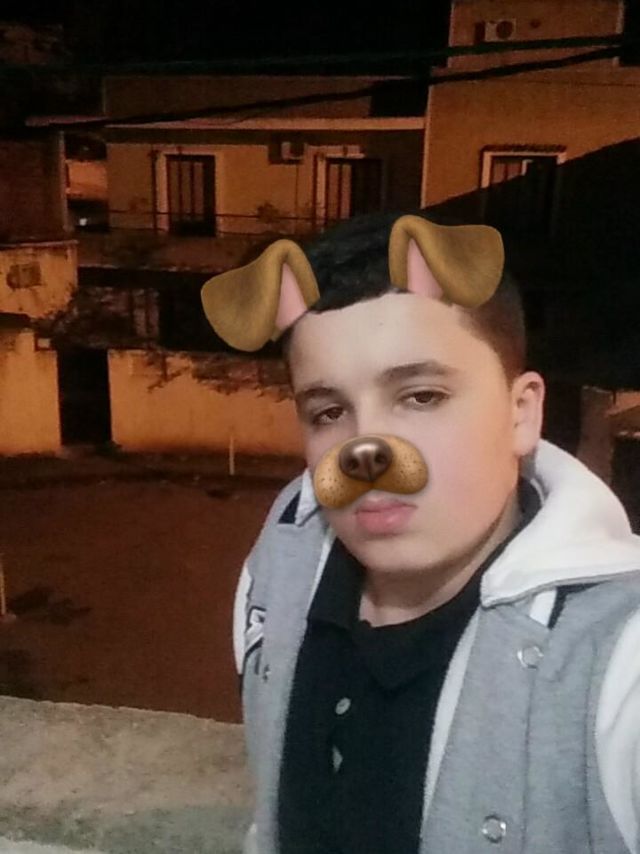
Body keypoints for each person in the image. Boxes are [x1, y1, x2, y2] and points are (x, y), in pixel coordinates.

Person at [201, 210, 640, 854]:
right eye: (329, 411)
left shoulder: (619, 654)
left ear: (522, 413)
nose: (364, 450)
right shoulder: (277, 571)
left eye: (422, 396)